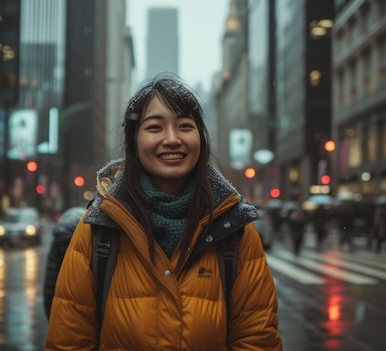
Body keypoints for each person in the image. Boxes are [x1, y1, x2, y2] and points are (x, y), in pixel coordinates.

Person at [44, 74, 282, 350]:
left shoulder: (234, 229)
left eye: (184, 126)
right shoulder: (99, 226)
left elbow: (257, 340)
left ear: (201, 139)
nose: (172, 139)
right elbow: (68, 341)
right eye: (155, 128)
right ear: (134, 141)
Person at [42, 206, 86, 319]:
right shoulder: (86, 239)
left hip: (61, 308)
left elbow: (51, 281)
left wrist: (51, 314)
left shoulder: (57, 243)